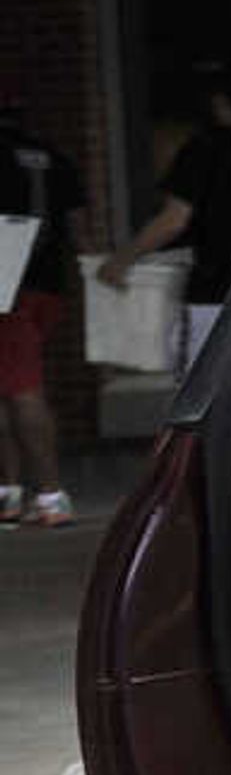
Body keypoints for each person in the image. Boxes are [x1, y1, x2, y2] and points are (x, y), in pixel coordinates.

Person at [96, 60, 231, 374]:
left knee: (201, 391)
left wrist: (121, 261)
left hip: (216, 293)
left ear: (218, 101)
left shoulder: (206, 149)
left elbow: (174, 220)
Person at [0, 90, 85, 529]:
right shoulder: (52, 157)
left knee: (21, 389)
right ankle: (8, 493)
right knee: (12, 382)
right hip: (49, 282)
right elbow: (77, 228)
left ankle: (51, 496)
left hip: (4, 279)